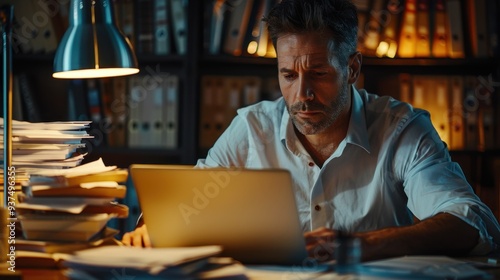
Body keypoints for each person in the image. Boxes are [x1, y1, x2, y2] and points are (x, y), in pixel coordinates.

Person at [122, 0, 500, 262]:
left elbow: (470, 222)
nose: (301, 94)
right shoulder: (253, 128)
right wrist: (154, 226)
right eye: (288, 75)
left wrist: (357, 246)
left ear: (352, 69)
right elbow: (186, 206)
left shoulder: (402, 129)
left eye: (318, 73)